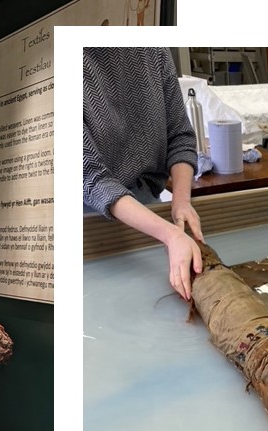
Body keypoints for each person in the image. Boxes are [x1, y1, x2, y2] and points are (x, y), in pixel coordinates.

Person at [83, 47, 203, 300]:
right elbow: (91, 177)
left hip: (148, 207)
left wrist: (181, 202)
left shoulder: (154, 51)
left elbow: (180, 136)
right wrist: (170, 234)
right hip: (88, 220)